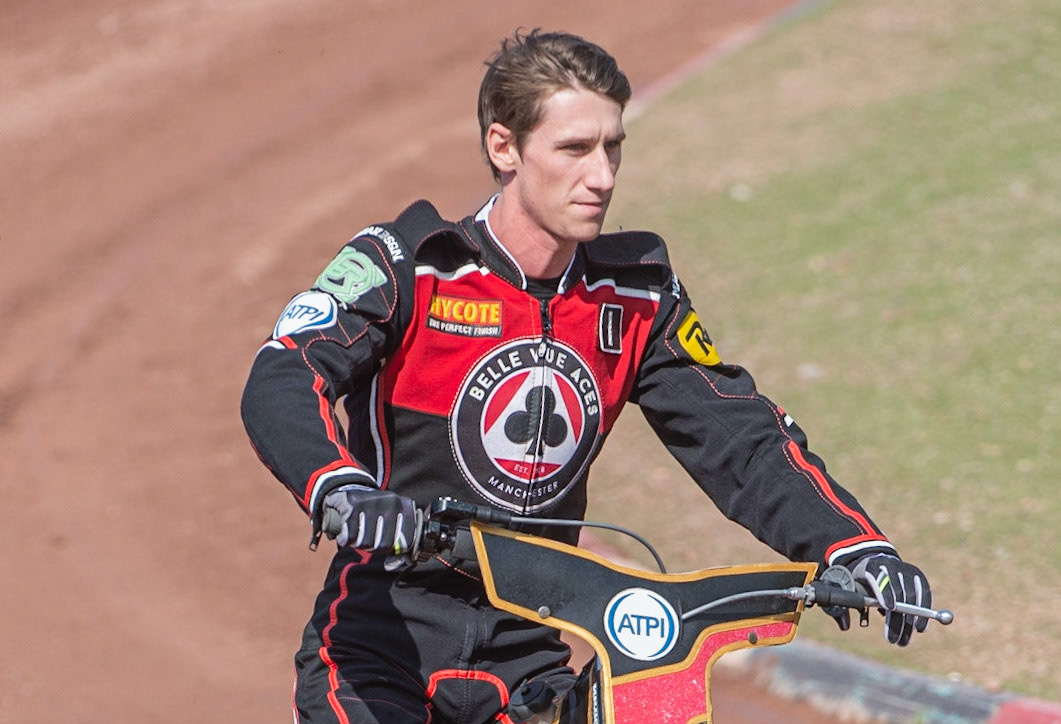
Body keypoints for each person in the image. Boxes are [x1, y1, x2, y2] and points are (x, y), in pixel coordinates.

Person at [241, 28, 932, 723]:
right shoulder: (411, 265)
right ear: (503, 148)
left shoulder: (637, 299)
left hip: (528, 663)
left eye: (613, 146)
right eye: (574, 149)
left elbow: (739, 440)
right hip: (379, 649)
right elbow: (283, 373)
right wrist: (340, 490)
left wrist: (856, 546)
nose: (602, 175)